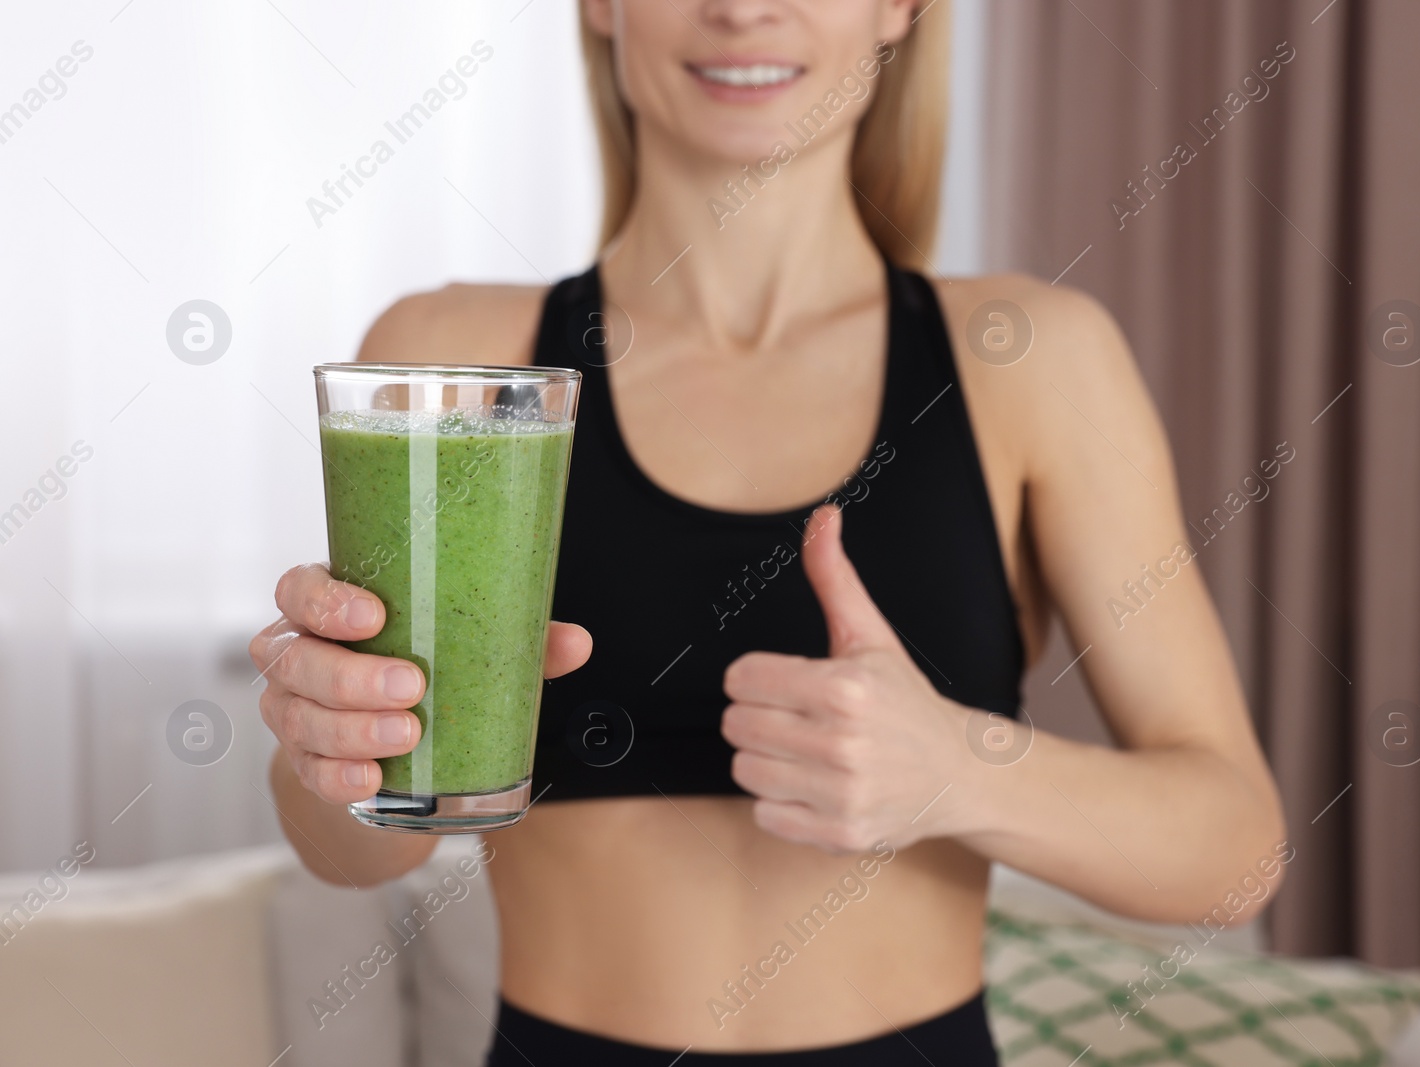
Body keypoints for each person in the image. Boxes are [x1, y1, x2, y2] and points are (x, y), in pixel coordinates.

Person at [249, 1, 1286, 1063]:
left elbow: (1232, 846)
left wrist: (961, 768)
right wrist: (330, 746)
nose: (742, 9)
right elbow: (359, 851)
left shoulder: (1032, 359)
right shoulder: (453, 355)